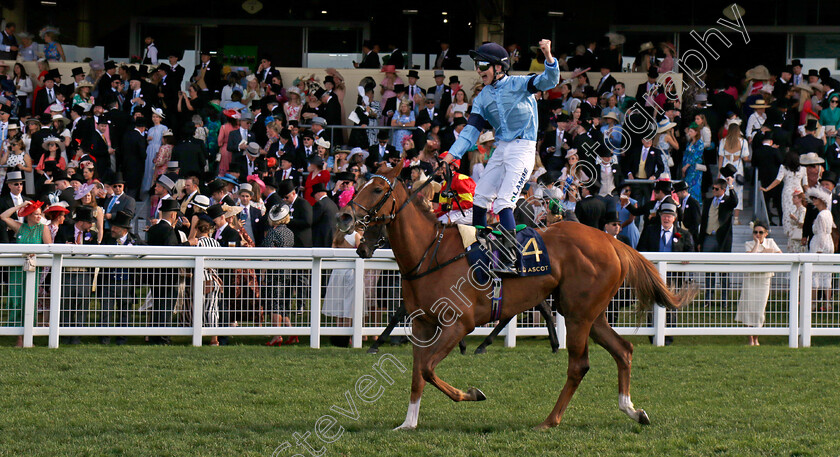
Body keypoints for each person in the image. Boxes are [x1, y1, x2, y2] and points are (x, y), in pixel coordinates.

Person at [443, 39, 559, 273]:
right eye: (477, 65)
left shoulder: (520, 83)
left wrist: (548, 56)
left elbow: (549, 80)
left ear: (499, 67)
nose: (478, 70)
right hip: (501, 147)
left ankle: (511, 258)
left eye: (483, 65)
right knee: (480, 197)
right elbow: (471, 130)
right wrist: (451, 155)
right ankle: (478, 250)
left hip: (523, 149)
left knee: (505, 201)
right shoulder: (483, 98)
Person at [0, 200, 50, 346]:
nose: (38, 217)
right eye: (35, 214)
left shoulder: (43, 229)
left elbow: (48, 249)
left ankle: (28, 336)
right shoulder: (20, 227)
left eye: (40, 214)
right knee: (16, 301)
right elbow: (3, 216)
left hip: (32, 270)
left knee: (30, 301)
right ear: (28, 215)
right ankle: (18, 336)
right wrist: (20, 206)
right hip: (17, 270)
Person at [734, 220, 781, 346]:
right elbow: (751, 258)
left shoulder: (771, 242)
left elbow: (779, 255)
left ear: (766, 233)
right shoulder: (748, 244)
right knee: (748, 308)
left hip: (764, 279)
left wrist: (765, 252)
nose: (758, 235)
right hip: (751, 279)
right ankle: (750, 339)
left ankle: (756, 337)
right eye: (755, 232)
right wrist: (757, 246)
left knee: (760, 309)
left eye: (761, 232)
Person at [699, 178, 738, 302]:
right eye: (713, 188)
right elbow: (703, 222)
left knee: (723, 270)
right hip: (709, 237)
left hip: (722, 239)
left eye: (717, 189)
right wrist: (700, 241)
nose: (714, 191)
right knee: (709, 270)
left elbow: (735, 201)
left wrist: (731, 185)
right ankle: (708, 299)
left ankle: (724, 299)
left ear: (723, 190)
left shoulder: (727, 201)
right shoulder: (708, 201)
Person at [761, 151, 808, 242]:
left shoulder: (783, 168)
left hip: (788, 192)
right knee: (799, 210)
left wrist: (767, 188)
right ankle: (799, 230)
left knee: (787, 211)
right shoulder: (803, 169)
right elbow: (805, 184)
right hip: (799, 192)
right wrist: (810, 194)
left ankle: (789, 232)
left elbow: (778, 180)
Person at [193, 216, 222, 346]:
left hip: (202, 279)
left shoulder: (197, 243)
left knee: (203, 309)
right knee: (213, 308)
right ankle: (213, 337)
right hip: (215, 279)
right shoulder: (216, 243)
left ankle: (210, 338)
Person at [807, 186, 836, 310]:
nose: (814, 200)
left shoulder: (822, 215)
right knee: (826, 274)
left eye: (816, 198)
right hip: (828, 244)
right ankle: (826, 302)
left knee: (815, 274)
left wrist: (819, 248)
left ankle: (814, 303)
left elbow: (823, 233)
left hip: (820, 243)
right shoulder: (827, 213)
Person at [682, 123, 705, 203]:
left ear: (696, 132)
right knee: (688, 186)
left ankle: (696, 203)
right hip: (687, 169)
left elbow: (696, 156)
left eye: (691, 131)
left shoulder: (700, 143)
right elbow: (686, 155)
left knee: (695, 186)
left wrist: (686, 166)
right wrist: (684, 166)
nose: (689, 133)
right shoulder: (690, 142)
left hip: (695, 169)